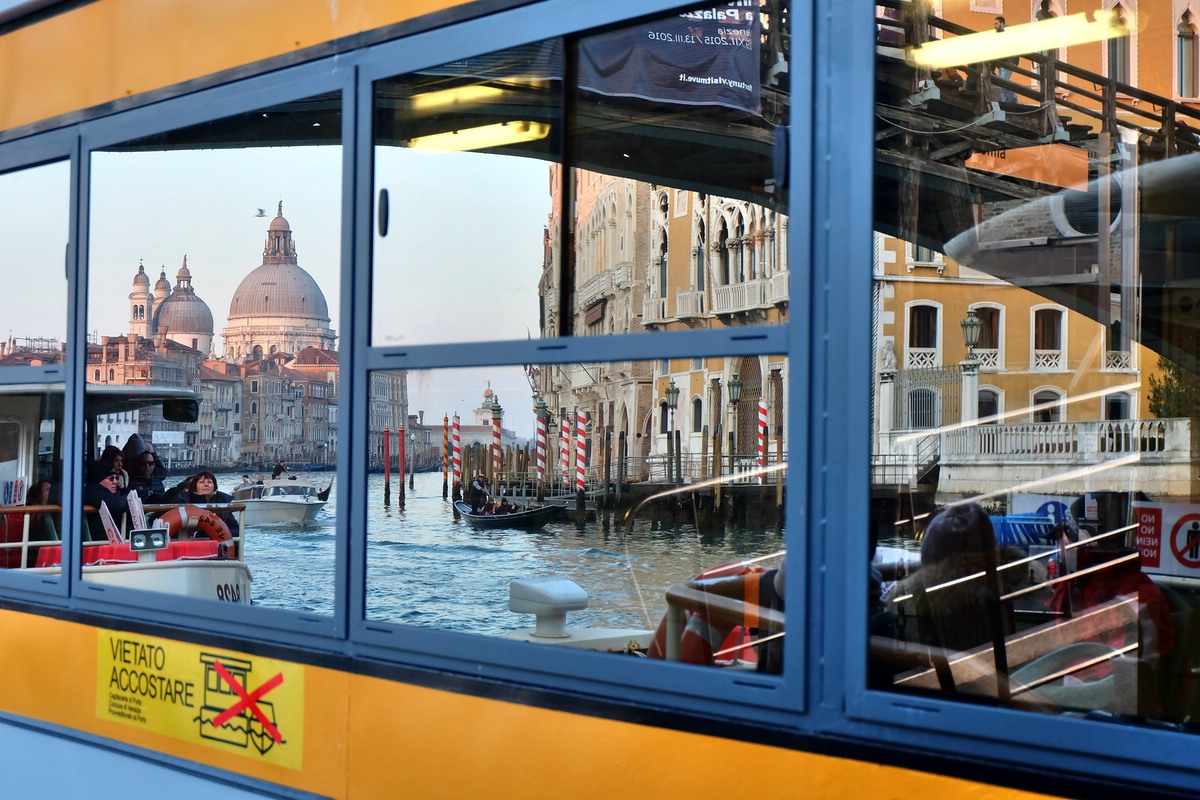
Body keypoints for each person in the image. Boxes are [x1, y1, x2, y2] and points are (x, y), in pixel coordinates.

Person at [180, 470, 240, 539]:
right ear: (195, 486)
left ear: (214, 486)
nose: (206, 484)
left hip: (219, 544)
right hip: (191, 543)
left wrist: (226, 538)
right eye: (201, 482)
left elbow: (234, 528)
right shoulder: (185, 501)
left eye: (209, 482)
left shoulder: (223, 502)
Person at [82, 464, 130, 542]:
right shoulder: (93, 491)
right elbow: (117, 505)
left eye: (116, 478)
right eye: (111, 478)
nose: (115, 482)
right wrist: (130, 497)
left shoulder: (103, 493)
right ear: (99, 480)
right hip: (101, 543)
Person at [123, 433, 165, 503]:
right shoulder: (129, 482)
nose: (147, 467)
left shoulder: (158, 481)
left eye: (150, 463)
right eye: (143, 464)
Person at [991, 16, 1016, 103]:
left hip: (1007, 62)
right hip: (1002, 63)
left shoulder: (1008, 33)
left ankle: (1009, 99)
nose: (994, 26)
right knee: (1002, 83)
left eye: (996, 24)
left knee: (1002, 83)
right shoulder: (999, 35)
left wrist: (1015, 61)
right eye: (994, 24)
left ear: (1002, 24)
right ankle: (1007, 101)